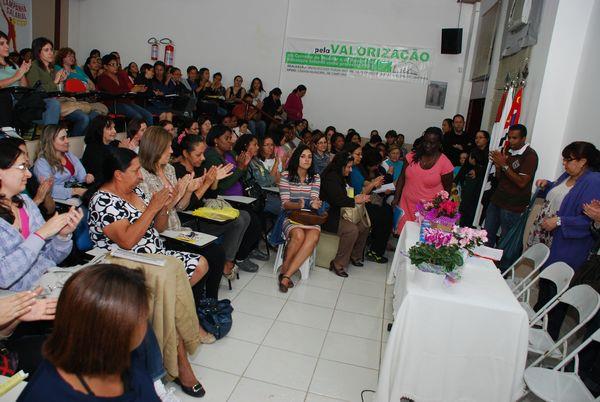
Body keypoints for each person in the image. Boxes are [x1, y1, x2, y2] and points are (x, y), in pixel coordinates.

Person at [17, 265, 164, 401]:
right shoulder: (47, 395)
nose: (146, 325)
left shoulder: (128, 360)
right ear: (118, 331)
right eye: (144, 317)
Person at [136, 127, 225, 295]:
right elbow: (153, 216)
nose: (171, 150)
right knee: (206, 257)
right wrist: (176, 195)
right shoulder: (141, 175)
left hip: (177, 229)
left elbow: (180, 207)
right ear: (155, 148)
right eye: (167, 147)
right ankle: (197, 304)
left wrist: (189, 191)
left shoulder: (169, 169)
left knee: (216, 251)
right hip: (161, 234)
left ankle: (211, 301)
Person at [528, 143, 600, 329]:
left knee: (556, 292)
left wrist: (560, 221)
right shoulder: (569, 175)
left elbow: (588, 219)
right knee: (545, 287)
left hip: (569, 245)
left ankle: (547, 333)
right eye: (564, 159)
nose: (564, 163)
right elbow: (559, 192)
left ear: (583, 161)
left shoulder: (593, 181)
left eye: (569, 160)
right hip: (550, 238)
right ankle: (535, 324)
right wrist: (546, 186)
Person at [0, 142, 82, 291]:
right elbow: (3, 277)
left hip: (46, 284)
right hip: (17, 301)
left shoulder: (25, 203)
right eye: (22, 167)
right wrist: (41, 234)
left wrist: (62, 236)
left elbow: (50, 257)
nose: (29, 174)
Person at [172, 134, 251, 279]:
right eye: (198, 154)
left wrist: (214, 181)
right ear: (185, 153)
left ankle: (228, 260)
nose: (203, 158)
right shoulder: (177, 171)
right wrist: (207, 182)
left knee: (245, 215)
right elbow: (186, 207)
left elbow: (211, 197)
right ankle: (227, 264)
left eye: (203, 153)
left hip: (204, 214)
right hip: (190, 221)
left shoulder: (200, 167)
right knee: (239, 220)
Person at [202, 127, 268, 269]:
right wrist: (240, 168)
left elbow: (240, 177)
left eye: (231, 137)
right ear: (216, 141)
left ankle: (248, 250)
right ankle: (239, 257)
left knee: (258, 215)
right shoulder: (211, 156)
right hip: (222, 198)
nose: (231, 141)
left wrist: (243, 167)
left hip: (239, 197)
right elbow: (223, 185)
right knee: (251, 220)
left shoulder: (230, 153)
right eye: (227, 138)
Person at [26, 37, 97, 136]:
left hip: (59, 100)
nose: (51, 53)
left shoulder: (52, 68)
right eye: (46, 50)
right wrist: (56, 81)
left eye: (51, 49)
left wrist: (62, 82)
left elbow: (59, 90)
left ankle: (70, 143)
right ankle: (54, 141)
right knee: (83, 117)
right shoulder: (33, 66)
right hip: (42, 103)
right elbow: (36, 89)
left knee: (89, 116)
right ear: (38, 52)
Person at [484, 124, 538, 248]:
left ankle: (500, 267)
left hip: (512, 205)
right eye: (509, 137)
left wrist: (504, 165)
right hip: (497, 199)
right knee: (486, 236)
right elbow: (500, 178)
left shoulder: (530, 156)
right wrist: (498, 167)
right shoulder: (507, 151)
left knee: (505, 241)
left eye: (515, 138)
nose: (511, 141)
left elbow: (521, 182)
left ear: (523, 138)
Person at [393, 127, 454, 233]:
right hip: (406, 206)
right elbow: (402, 178)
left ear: (439, 144)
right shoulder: (411, 157)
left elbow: (447, 191)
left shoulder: (445, 163)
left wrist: (438, 210)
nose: (428, 145)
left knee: (421, 241)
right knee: (404, 238)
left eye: (432, 142)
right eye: (425, 141)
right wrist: (396, 198)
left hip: (428, 212)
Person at [277, 144, 321, 292]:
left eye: (309, 157)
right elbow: (285, 204)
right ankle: (285, 267)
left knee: (314, 234)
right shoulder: (286, 176)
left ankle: (286, 275)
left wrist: (315, 203)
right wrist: (299, 204)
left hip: (309, 217)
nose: (307, 160)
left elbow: (314, 198)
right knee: (298, 234)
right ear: (296, 158)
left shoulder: (315, 177)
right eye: (303, 156)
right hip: (290, 216)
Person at [320, 152, 370, 276]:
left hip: (339, 212)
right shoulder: (331, 177)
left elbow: (346, 195)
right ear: (341, 166)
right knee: (351, 230)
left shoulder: (341, 176)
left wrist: (357, 197)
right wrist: (355, 200)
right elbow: (337, 200)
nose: (350, 169)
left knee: (364, 225)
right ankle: (338, 263)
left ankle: (354, 255)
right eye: (348, 167)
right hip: (327, 216)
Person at [348, 144, 393, 263]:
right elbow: (361, 192)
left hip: (365, 198)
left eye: (361, 154)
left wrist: (374, 183)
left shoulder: (357, 168)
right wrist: (373, 184)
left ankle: (377, 248)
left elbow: (365, 184)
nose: (360, 157)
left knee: (387, 209)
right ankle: (375, 251)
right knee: (382, 214)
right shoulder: (352, 169)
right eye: (358, 154)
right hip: (357, 201)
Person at [33, 125, 94, 200]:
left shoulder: (69, 155)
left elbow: (81, 176)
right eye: (62, 138)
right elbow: (47, 190)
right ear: (50, 141)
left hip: (75, 195)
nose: (67, 141)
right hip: (57, 201)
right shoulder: (42, 163)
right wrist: (74, 191)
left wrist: (87, 178)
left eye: (66, 137)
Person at [1, 137, 55, 217]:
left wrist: (46, 194)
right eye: (22, 154)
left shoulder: (29, 179)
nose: (27, 159)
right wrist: (37, 199)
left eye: (27, 154)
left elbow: (50, 211)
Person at [96, 54, 153, 125]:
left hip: (126, 102)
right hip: (113, 104)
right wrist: (132, 90)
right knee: (138, 117)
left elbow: (126, 89)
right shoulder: (102, 78)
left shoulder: (119, 76)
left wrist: (138, 90)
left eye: (117, 64)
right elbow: (114, 92)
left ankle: (150, 135)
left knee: (148, 115)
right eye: (112, 64)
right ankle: (136, 135)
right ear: (105, 66)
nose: (116, 67)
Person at [454, 130, 490, 227]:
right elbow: (465, 167)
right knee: (464, 207)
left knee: (474, 210)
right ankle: (462, 227)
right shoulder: (473, 151)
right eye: (476, 138)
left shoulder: (489, 153)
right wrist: (455, 181)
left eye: (480, 137)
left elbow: (488, 169)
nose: (477, 140)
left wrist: (476, 168)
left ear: (486, 140)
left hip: (481, 187)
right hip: (470, 185)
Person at [81, 115, 123, 183]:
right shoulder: (92, 149)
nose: (114, 131)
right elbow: (101, 174)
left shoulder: (116, 143)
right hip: (101, 185)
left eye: (114, 128)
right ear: (99, 130)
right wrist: (120, 153)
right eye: (110, 129)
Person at [248, 135, 282, 216]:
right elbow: (268, 181)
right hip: (263, 193)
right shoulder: (258, 161)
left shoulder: (275, 159)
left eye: (272, 145)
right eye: (267, 145)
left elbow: (278, 180)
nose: (270, 147)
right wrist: (276, 164)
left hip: (273, 191)